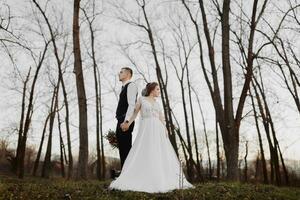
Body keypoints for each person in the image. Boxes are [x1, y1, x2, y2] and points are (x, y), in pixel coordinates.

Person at [109, 82, 194, 193]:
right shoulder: (142, 99)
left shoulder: (157, 103)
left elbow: (161, 118)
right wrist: (128, 123)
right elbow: (134, 113)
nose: (159, 91)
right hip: (146, 129)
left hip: (158, 130)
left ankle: (160, 177)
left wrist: (166, 129)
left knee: (159, 152)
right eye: (157, 89)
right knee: (145, 150)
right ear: (152, 89)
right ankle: (141, 176)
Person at [115, 67, 138, 169]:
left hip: (125, 120)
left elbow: (131, 104)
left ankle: (129, 174)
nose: (119, 73)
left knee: (126, 149)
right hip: (121, 120)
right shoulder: (123, 87)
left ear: (128, 74)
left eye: (121, 72)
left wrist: (127, 121)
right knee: (122, 148)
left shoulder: (131, 85)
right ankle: (125, 173)